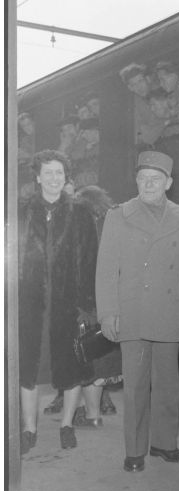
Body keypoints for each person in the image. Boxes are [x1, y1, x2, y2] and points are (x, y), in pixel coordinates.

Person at [96, 150, 179, 473]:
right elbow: (106, 271)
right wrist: (107, 313)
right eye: (143, 178)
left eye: (155, 179)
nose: (148, 184)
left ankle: (164, 443)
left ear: (168, 183)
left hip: (170, 311)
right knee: (134, 386)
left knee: (169, 384)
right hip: (132, 312)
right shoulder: (118, 215)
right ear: (136, 181)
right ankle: (134, 450)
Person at [18, 150, 99, 454]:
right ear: (37, 177)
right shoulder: (21, 212)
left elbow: (91, 261)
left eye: (59, 173)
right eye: (48, 173)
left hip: (68, 306)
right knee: (28, 368)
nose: (54, 179)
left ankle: (67, 425)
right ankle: (29, 428)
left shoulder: (81, 213)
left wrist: (87, 306)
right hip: (30, 306)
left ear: (66, 178)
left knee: (72, 366)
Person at [72, 185, 122, 426]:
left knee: (86, 356)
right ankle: (95, 409)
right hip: (109, 299)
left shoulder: (82, 229)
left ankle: (92, 414)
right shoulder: (110, 224)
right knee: (100, 353)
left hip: (87, 301)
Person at [119, 62, 166, 146]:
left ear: (147, 79)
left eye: (140, 81)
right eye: (134, 84)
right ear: (130, 88)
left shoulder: (164, 89)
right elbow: (143, 137)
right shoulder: (133, 105)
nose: (139, 87)